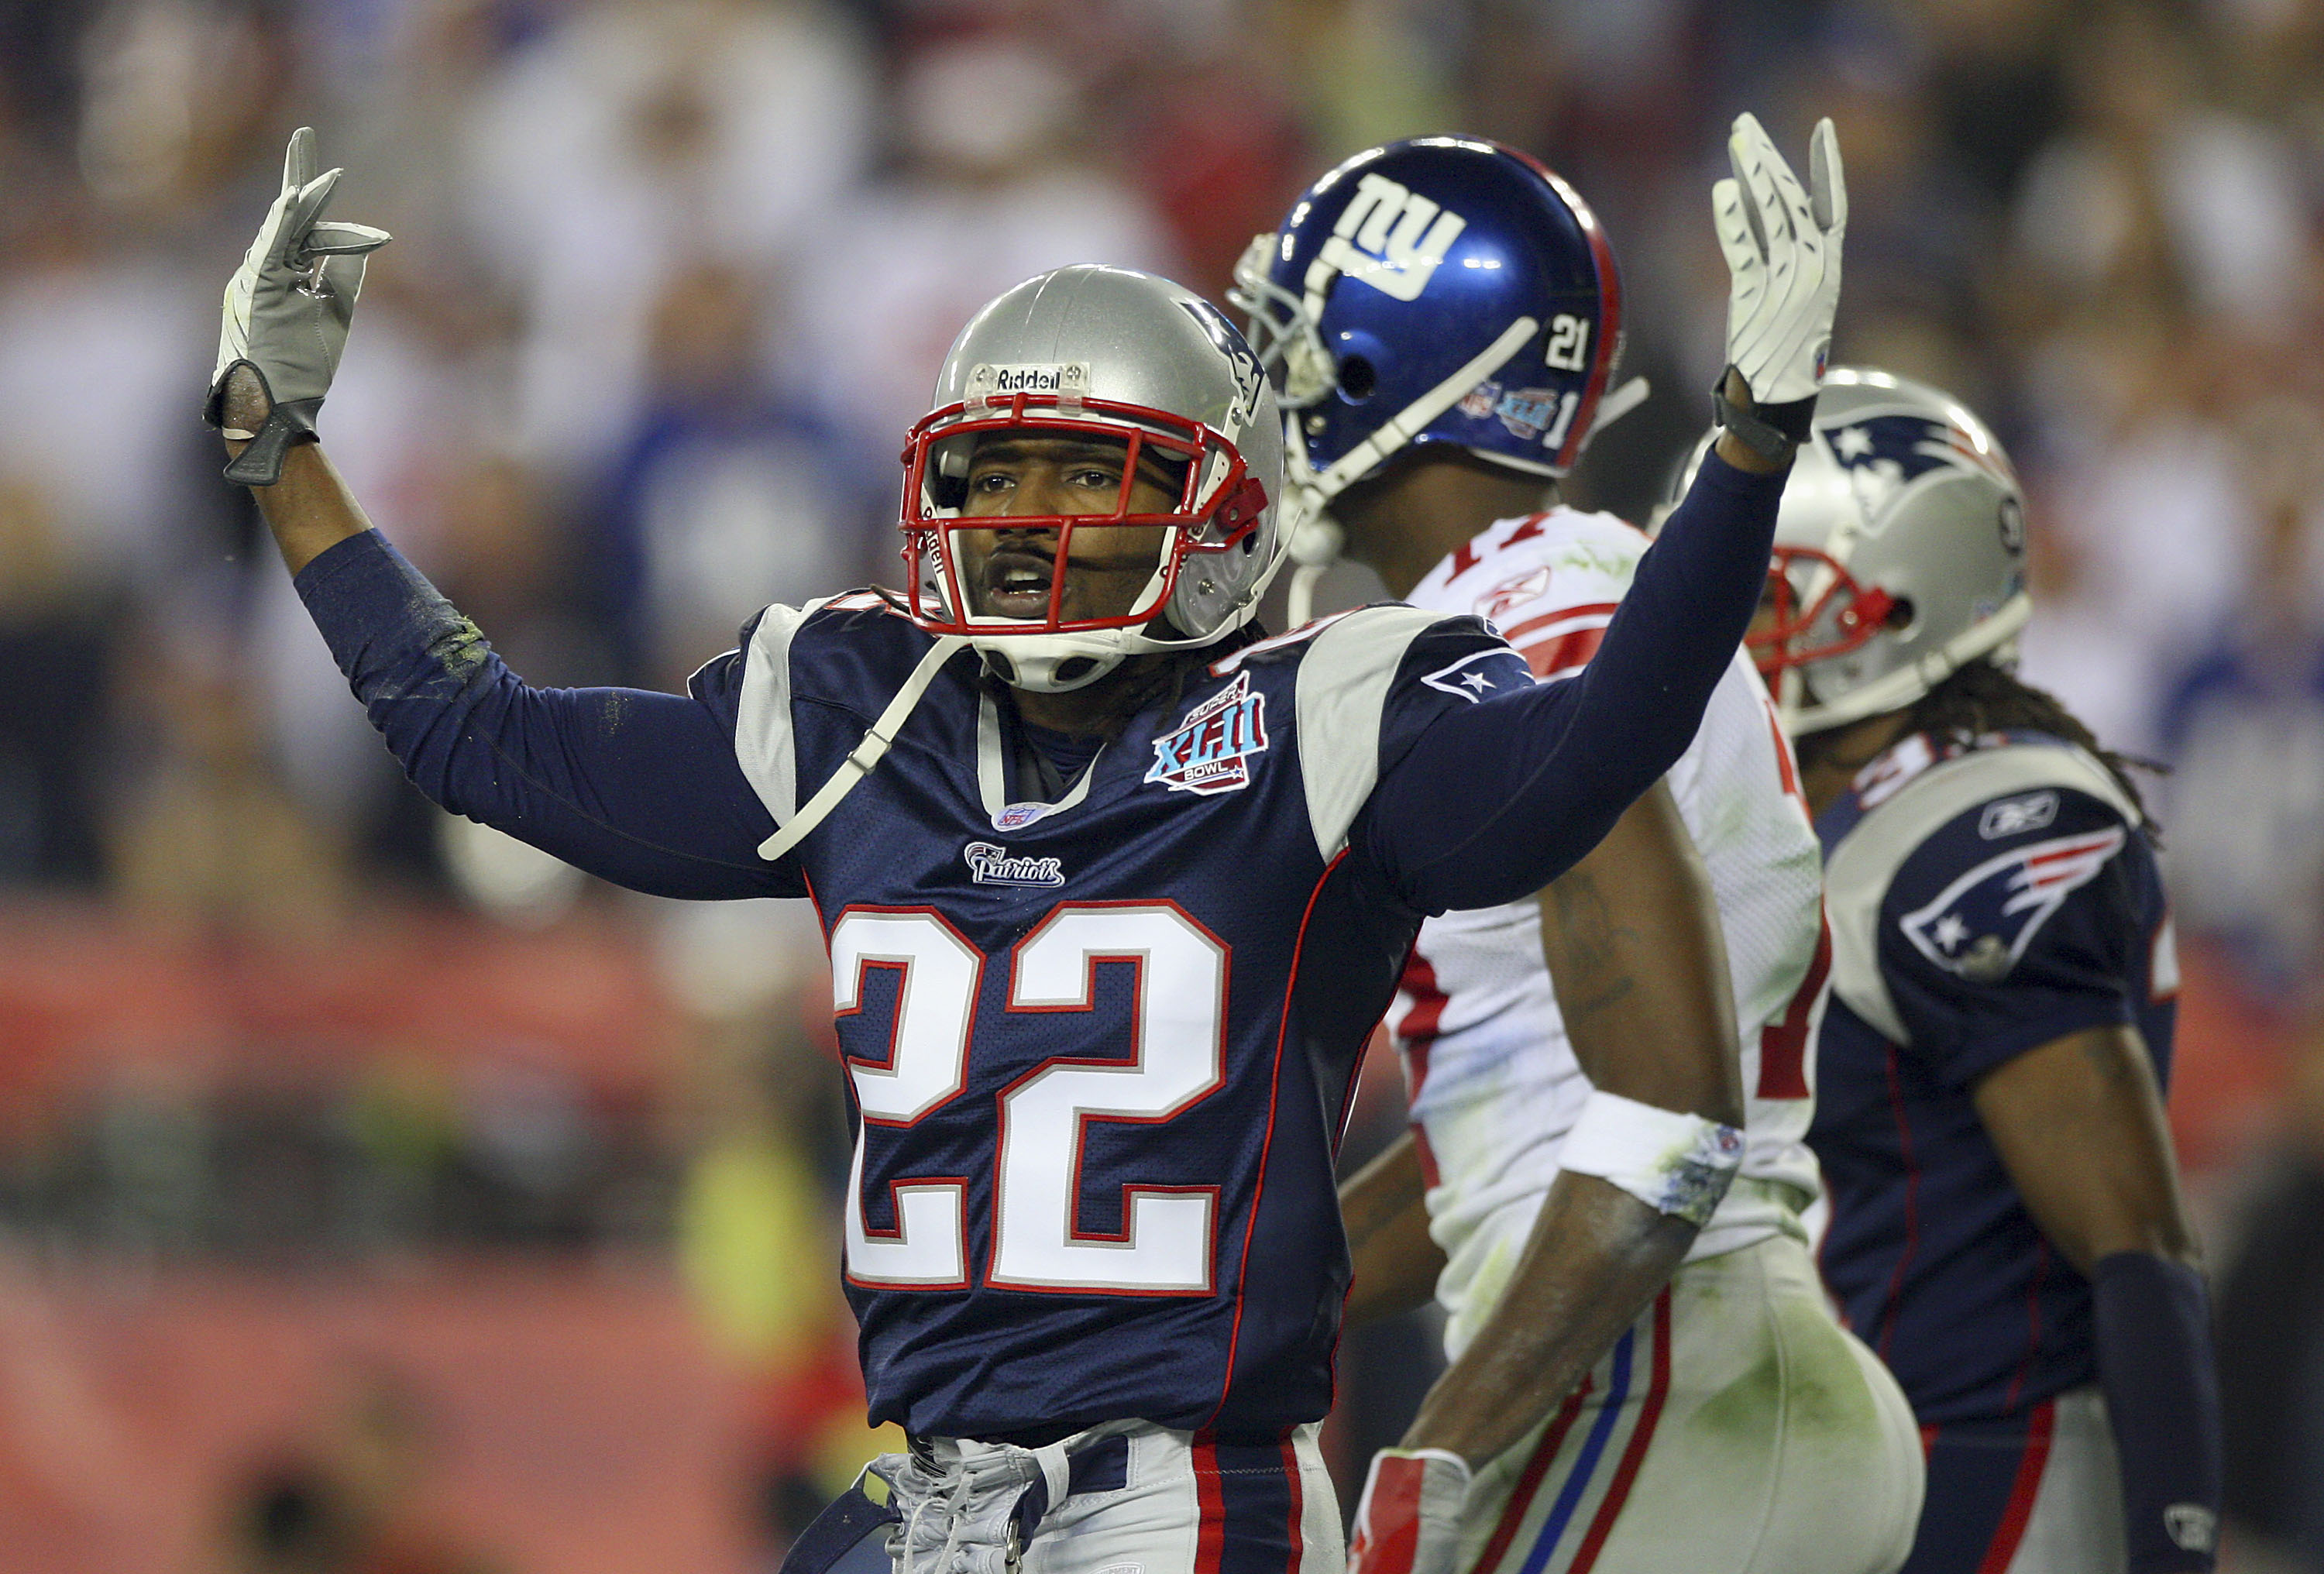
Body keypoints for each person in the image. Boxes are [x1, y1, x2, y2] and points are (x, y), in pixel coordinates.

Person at [205, 121, 1839, 1574]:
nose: (1032, 516)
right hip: (929, 1496)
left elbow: (1579, 760)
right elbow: (481, 736)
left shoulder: (1323, 712)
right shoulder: (857, 708)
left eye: (1092, 470)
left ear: (1220, 512)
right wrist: (283, 451)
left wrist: (1750, 452)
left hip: (1180, 1499)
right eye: (998, 470)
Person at [1232, 137, 1920, 1574]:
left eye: (1293, 343)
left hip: (1661, 1385)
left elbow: (1669, 1103)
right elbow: (1508, 1131)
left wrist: (1444, 1439)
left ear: (1386, 361)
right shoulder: (1558, 594)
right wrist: (1232, 1280)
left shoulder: (1523, 611)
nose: (1270, 388)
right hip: (1715, 1377)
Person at [1732, 367, 2223, 1574]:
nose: (1730, 631)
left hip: (1992, 1472)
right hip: (1849, 1463)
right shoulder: (1824, 815)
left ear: (1897, 603)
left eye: (1770, 596)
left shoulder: (1975, 823)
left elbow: (2139, 1242)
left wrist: (2176, 1547)